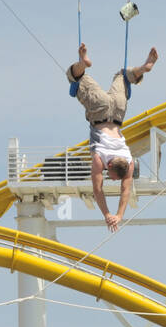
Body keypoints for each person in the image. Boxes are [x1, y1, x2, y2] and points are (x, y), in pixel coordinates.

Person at [66, 42, 158, 232]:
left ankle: (143, 68)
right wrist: (109, 214)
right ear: (109, 166)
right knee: (74, 78)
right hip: (98, 111)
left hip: (118, 110)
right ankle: (81, 63)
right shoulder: (100, 160)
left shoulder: (129, 161)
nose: (113, 180)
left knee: (122, 76)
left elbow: (125, 189)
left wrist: (120, 215)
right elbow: (98, 190)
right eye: (112, 177)